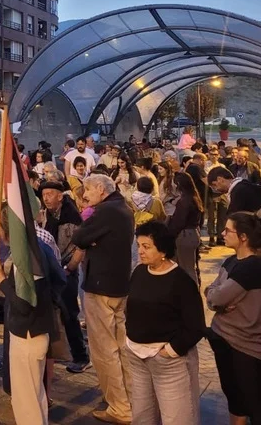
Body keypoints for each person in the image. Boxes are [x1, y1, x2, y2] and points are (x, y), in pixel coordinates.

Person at [0, 205, 67, 425]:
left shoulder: (26, 256)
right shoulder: (38, 246)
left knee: (26, 401)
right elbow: (60, 279)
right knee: (35, 396)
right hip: (37, 329)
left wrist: (1, 279)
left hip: (27, 333)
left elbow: (23, 305)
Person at [123, 220, 205, 424]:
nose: (140, 251)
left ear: (162, 250)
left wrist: (170, 351)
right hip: (137, 356)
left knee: (177, 418)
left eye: (146, 246)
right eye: (139, 245)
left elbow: (195, 326)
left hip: (168, 362)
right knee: (142, 417)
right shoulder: (140, 272)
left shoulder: (181, 281)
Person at [70, 174, 134, 424]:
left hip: (101, 288)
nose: (85, 196)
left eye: (87, 190)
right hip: (119, 286)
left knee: (105, 351)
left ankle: (120, 407)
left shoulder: (105, 211)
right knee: (120, 348)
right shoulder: (122, 207)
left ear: (100, 189)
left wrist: (90, 234)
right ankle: (130, 400)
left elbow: (79, 238)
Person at [205, 212, 261, 425]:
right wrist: (215, 298)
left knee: (254, 404)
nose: (222, 233)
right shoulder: (231, 261)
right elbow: (212, 294)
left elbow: (217, 296)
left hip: (246, 345)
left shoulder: (252, 267)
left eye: (228, 230)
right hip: (223, 337)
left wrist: (216, 298)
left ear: (243, 237)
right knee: (234, 399)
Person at [40, 180, 90, 372]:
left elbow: (80, 246)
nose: (46, 198)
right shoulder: (47, 214)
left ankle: (81, 356)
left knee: (69, 313)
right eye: (44, 195)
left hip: (66, 269)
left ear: (60, 196)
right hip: (52, 268)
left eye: (50, 194)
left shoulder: (71, 216)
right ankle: (58, 353)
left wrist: (69, 268)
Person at [166, 172, 203, 284]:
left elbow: (178, 223)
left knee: (187, 268)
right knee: (186, 266)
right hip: (193, 233)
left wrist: (169, 234)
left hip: (185, 235)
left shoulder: (184, 201)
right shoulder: (194, 197)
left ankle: (192, 292)